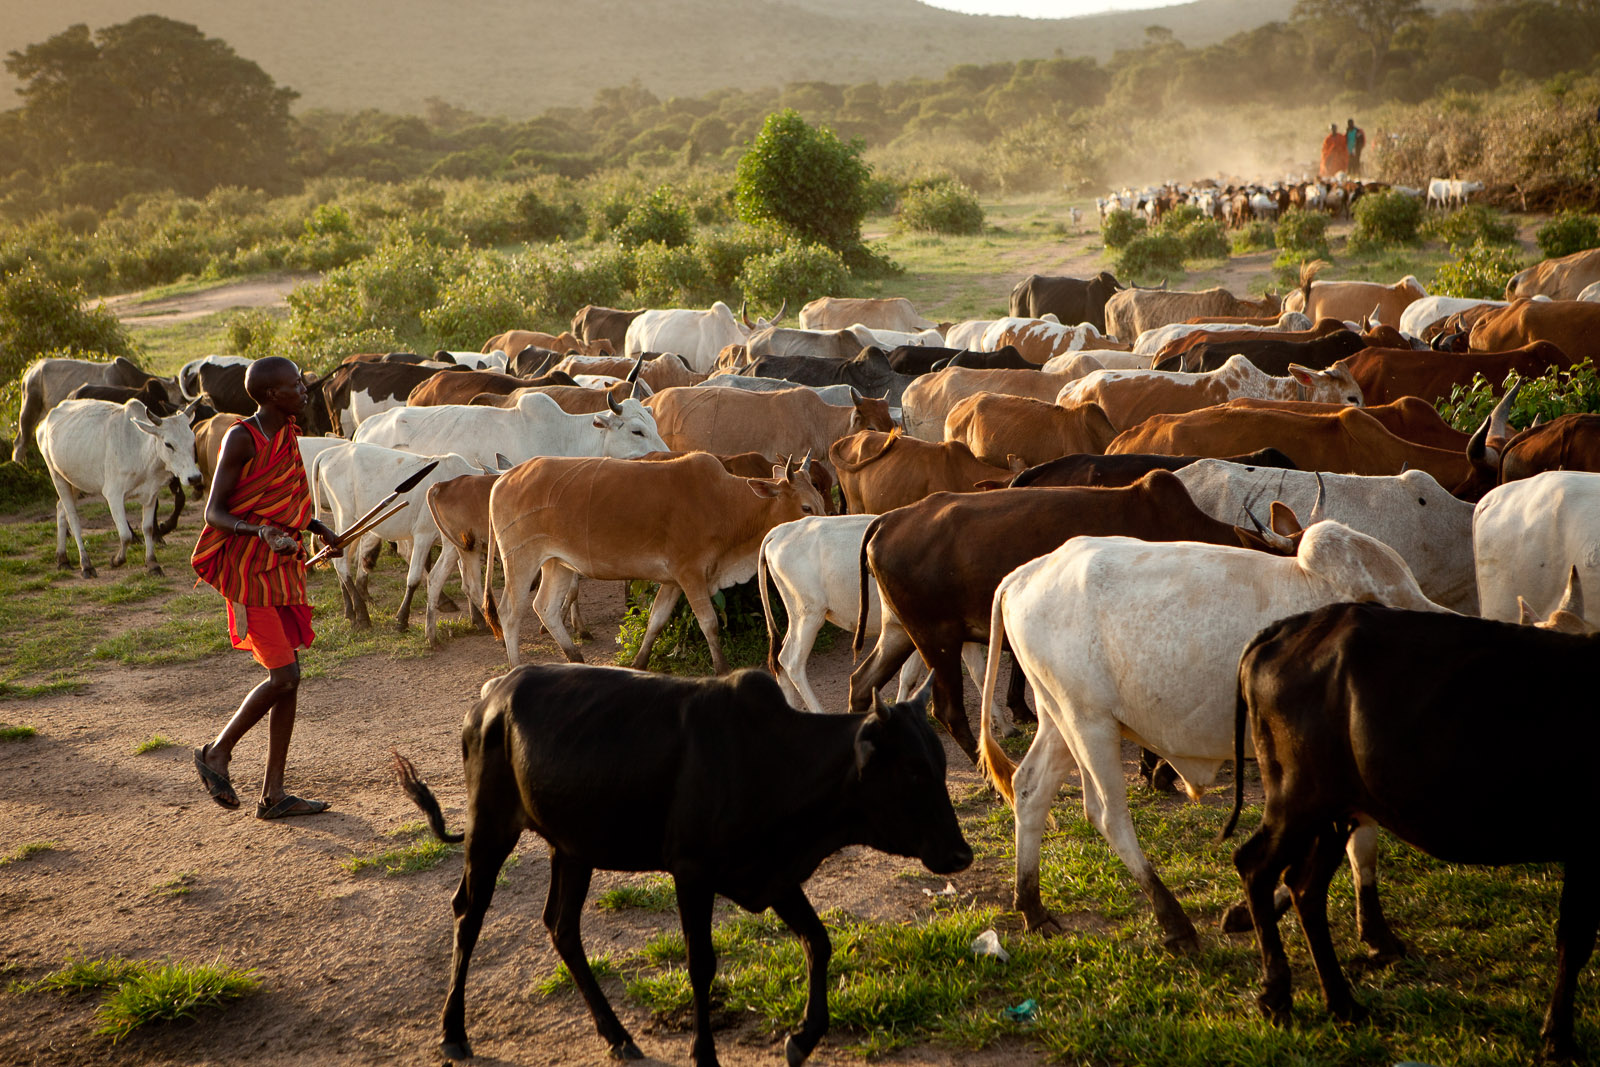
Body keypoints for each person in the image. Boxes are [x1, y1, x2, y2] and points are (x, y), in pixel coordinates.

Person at [191, 356, 343, 819]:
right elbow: (214, 512)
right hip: (248, 570)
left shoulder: (288, 435)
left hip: (283, 567)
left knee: (289, 680)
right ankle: (217, 752)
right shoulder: (242, 437)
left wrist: (318, 526)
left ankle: (274, 795)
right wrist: (258, 533)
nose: (304, 388)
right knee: (285, 677)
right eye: (297, 384)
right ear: (274, 395)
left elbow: (285, 504)